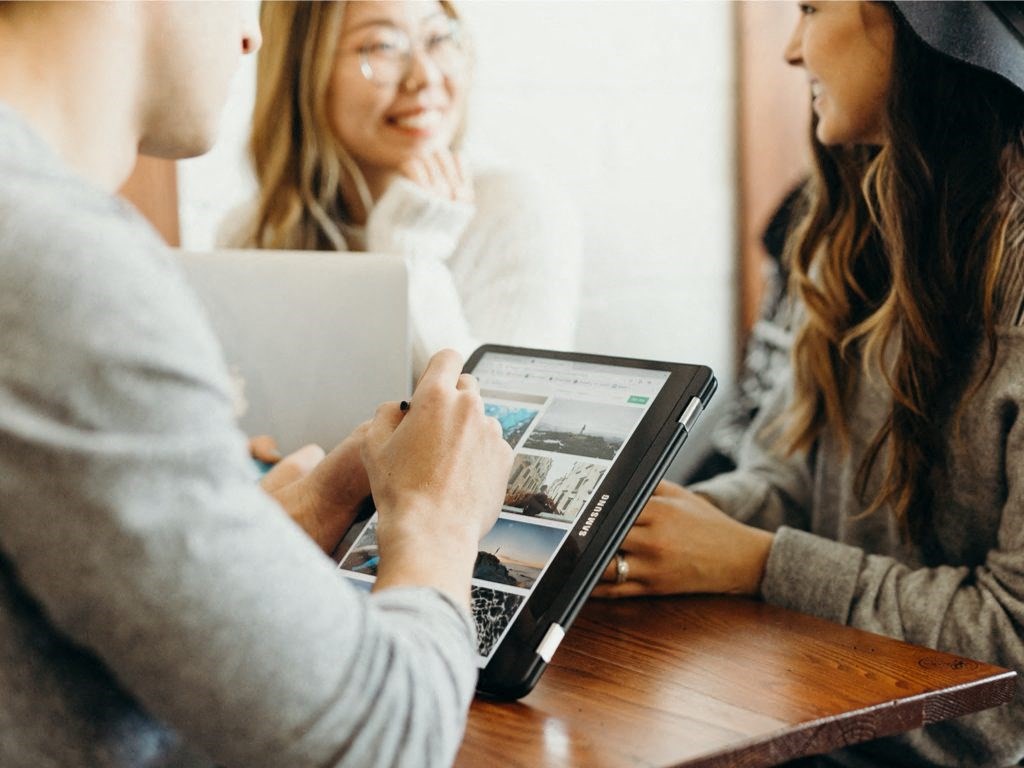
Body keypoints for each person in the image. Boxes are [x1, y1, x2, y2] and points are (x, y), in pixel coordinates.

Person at [0, 3, 513, 767]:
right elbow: (380, 741)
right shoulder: (62, 267)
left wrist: (260, 541)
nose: (254, 35)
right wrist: (439, 521)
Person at [597, 3, 1024, 766]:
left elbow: (1010, 641)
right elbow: (795, 481)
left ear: (918, 25)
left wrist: (756, 562)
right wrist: (657, 526)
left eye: (810, 8)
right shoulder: (853, 228)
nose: (792, 50)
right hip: (829, 728)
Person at [220, 0, 583, 378]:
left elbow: (507, 425)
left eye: (439, 38)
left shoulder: (519, 210)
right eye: (383, 46)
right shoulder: (251, 232)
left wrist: (411, 255)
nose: (425, 77)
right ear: (301, 72)